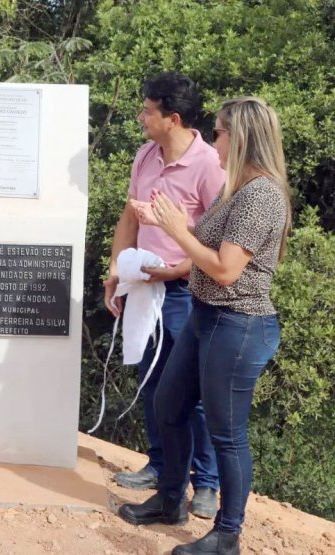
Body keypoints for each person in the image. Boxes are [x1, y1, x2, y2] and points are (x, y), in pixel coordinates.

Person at [119, 97, 291, 555]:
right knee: (168, 405)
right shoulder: (236, 187)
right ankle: (171, 499)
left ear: (242, 137)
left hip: (238, 326)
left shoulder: (262, 195)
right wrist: (162, 221)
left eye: (218, 132)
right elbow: (207, 247)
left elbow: (226, 269)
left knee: (226, 434)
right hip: (205, 316)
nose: (212, 139)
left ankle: (227, 534)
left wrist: (178, 232)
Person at [104, 72, 222, 517]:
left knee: (191, 390)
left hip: (186, 291)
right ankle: (160, 464)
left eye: (147, 111)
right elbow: (129, 218)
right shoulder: (145, 155)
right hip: (144, 285)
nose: (140, 117)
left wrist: (178, 268)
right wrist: (116, 271)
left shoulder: (210, 165)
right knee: (153, 383)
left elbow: (220, 240)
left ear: (172, 118)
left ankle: (206, 484)